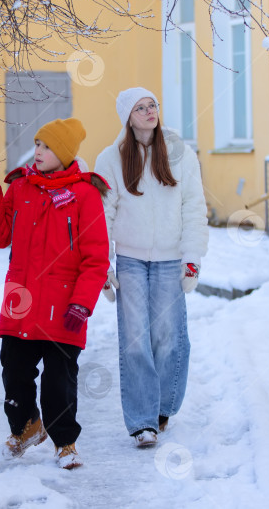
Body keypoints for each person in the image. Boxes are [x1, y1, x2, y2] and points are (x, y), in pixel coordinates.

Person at [0, 117, 110, 469]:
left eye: (46, 146)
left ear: (64, 154)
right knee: (13, 373)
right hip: (21, 302)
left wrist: (82, 304)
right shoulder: (21, 187)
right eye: (37, 143)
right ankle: (26, 428)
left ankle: (65, 442)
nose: (37, 151)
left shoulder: (85, 194)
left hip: (64, 307)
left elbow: (96, 259)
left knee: (58, 384)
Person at [94, 87, 209, 448]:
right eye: (141, 108)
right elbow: (102, 216)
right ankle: (143, 421)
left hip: (169, 260)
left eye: (153, 105)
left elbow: (193, 206)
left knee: (169, 338)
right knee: (135, 341)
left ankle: (163, 408)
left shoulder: (179, 152)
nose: (149, 112)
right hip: (129, 260)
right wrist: (103, 265)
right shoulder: (110, 159)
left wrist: (192, 258)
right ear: (127, 116)